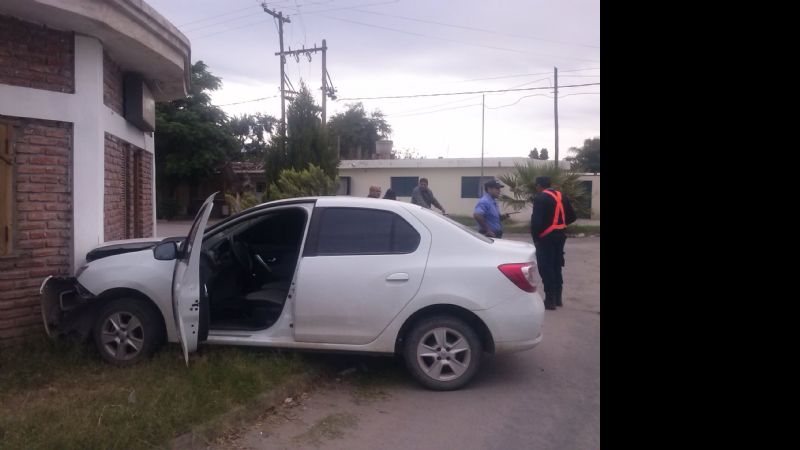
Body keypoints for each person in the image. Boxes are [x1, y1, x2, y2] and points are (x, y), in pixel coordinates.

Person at [531, 176, 577, 310]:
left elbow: (536, 222)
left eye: (536, 186)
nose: (536, 188)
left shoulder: (540, 198)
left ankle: (549, 300)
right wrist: (559, 225)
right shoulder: (562, 196)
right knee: (557, 265)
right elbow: (572, 216)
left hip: (546, 238)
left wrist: (536, 239)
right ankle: (558, 299)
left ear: (539, 185)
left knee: (546, 267)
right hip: (560, 235)